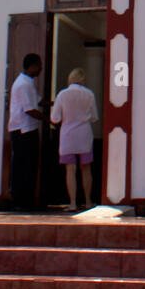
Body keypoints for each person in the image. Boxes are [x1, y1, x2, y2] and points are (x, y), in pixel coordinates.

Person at [50, 67, 98, 211]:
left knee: (70, 170)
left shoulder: (62, 95)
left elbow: (55, 118)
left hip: (68, 136)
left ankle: (72, 203)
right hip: (84, 135)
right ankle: (88, 201)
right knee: (86, 169)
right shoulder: (89, 94)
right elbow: (94, 117)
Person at [7, 53, 43, 211]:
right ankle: (19, 201)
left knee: (28, 165)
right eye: (39, 65)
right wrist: (49, 120)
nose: (41, 68)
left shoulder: (28, 83)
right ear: (32, 66)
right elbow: (30, 109)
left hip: (28, 129)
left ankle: (26, 200)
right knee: (23, 166)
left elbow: (38, 101)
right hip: (23, 130)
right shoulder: (23, 84)